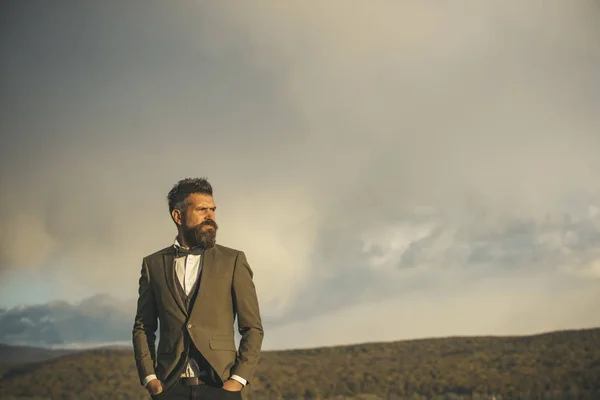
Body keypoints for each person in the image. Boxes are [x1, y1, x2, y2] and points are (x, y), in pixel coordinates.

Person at [132, 178, 264, 399]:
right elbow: (143, 327)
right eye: (202, 209)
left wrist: (238, 379)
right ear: (178, 216)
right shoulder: (152, 264)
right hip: (169, 388)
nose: (210, 216)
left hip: (220, 386)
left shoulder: (233, 260)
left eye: (212, 209)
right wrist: (150, 378)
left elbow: (252, 327)